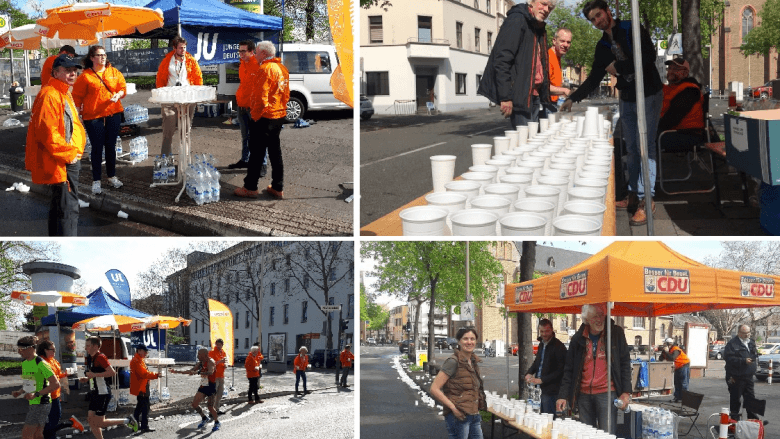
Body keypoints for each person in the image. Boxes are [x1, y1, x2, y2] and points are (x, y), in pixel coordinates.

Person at [561, 0, 664, 226]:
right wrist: (572, 98)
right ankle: (633, 194)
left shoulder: (631, 28)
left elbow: (647, 57)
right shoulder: (602, 47)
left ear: (608, 11)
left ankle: (647, 200)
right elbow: (595, 77)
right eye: (593, 19)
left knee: (645, 146)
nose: (597, 21)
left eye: (599, 15)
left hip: (648, 93)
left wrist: (619, 68)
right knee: (632, 147)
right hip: (627, 97)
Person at [25, 54, 86, 237]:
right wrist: (69, 155)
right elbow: (48, 133)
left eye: (74, 70)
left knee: (60, 207)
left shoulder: (61, 92)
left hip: (66, 159)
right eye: (67, 70)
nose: (72, 74)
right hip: (64, 161)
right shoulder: (51, 94)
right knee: (68, 210)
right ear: (55, 72)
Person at [477, 0, 557, 129]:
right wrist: (505, 97)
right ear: (531, 2)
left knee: (532, 140)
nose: (546, 9)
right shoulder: (517, 19)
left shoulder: (537, 26)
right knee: (524, 142)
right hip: (520, 95)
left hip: (534, 95)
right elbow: (502, 59)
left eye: (550, 7)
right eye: (543, 4)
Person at [556, 304, 631, 434]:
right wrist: (563, 395)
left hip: (607, 394)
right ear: (587, 319)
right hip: (584, 395)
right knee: (587, 434)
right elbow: (569, 370)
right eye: (595, 316)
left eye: (602, 315)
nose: (599, 319)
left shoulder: (616, 333)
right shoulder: (577, 339)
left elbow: (625, 363)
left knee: (607, 434)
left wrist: (626, 392)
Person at [234, 41, 290, 200]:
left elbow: (260, 98)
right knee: (275, 152)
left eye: (257, 52)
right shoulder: (282, 68)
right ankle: (278, 187)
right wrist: (281, 110)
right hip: (278, 115)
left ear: (264, 54)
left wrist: (255, 117)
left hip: (265, 117)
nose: (255, 55)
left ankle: (250, 187)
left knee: (256, 153)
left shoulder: (265, 69)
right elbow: (286, 94)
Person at [72, 45, 127, 195]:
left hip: (113, 113)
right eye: (99, 55)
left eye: (104, 55)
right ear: (91, 57)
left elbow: (122, 87)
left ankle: (111, 176)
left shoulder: (113, 72)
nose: (103, 57)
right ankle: (96, 180)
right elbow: (76, 97)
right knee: (97, 148)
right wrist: (77, 116)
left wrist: (118, 95)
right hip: (93, 116)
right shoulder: (85, 76)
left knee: (111, 146)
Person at [429, 327, 487, 439]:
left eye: (472, 339)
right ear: (459, 341)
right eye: (465, 339)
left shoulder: (473, 361)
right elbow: (434, 389)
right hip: (458, 416)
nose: (469, 342)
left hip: (474, 414)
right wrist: (453, 408)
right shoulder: (453, 361)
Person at [80, 337, 138, 438]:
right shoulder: (91, 358)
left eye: (88, 345)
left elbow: (111, 372)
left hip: (103, 393)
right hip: (95, 392)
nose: (86, 348)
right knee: (91, 420)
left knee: (100, 423)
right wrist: (87, 378)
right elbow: (95, 374)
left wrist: (93, 375)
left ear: (95, 346)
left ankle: (128, 420)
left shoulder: (101, 357)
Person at [155, 36, 203, 156]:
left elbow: (198, 79)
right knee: (168, 131)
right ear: (174, 48)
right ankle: (165, 158)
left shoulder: (191, 60)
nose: (183, 50)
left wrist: (197, 96)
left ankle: (185, 158)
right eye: (181, 48)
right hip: (169, 99)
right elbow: (160, 79)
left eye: (184, 48)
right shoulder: (166, 61)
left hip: (187, 99)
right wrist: (161, 95)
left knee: (185, 131)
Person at [228, 40, 267, 176]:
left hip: (254, 107)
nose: (240, 53)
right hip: (242, 105)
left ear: (251, 52)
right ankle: (245, 160)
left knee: (259, 137)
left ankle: (262, 164)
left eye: (243, 51)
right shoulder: (242, 64)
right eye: (239, 51)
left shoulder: (258, 64)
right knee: (245, 136)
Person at [12, 336, 60, 439]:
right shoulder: (25, 363)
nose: (19, 352)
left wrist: (36, 394)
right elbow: (29, 382)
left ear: (30, 348)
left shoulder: (41, 363)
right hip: (34, 403)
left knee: (26, 435)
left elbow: (55, 384)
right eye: (18, 349)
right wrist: (20, 391)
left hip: (42, 403)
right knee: (37, 434)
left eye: (21, 349)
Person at [657, 57, 706, 149]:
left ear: (685, 73)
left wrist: (652, 125)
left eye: (676, 69)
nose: (671, 71)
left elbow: (672, 118)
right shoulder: (669, 89)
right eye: (669, 68)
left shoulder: (690, 90)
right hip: (672, 131)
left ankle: (643, 162)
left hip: (688, 134)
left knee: (645, 138)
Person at [38, 340, 83, 438]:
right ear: (45, 350)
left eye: (55, 350)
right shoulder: (41, 361)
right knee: (49, 424)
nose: (54, 352)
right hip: (46, 397)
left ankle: (67, 425)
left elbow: (57, 375)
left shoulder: (53, 360)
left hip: (56, 395)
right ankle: (69, 423)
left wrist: (66, 374)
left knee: (53, 420)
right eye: (52, 350)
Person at [169, 348, 220, 431]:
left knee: (210, 407)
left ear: (205, 354)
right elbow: (191, 371)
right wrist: (176, 371)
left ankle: (217, 422)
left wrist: (198, 373)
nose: (197, 356)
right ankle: (204, 418)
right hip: (204, 385)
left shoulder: (211, 362)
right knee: (194, 404)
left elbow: (210, 372)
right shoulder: (200, 363)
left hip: (211, 386)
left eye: (199, 354)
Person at [524, 318, 567, 415]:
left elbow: (561, 371)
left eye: (547, 331)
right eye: (542, 331)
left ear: (552, 330)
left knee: (547, 418)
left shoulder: (559, 346)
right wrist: (529, 373)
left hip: (551, 391)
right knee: (536, 415)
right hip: (539, 389)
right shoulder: (541, 344)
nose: (544, 334)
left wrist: (542, 380)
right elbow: (537, 362)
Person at [724, 325, 760, 421]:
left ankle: (752, 418)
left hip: (748, 375)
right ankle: (734, 419)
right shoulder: (732, 344)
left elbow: (754, 354)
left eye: (748, 332)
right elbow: (728, 359)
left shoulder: (751, 342)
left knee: (751, 397)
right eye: (744, 333)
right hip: (735, 376)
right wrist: (743, 360)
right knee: (736, 397)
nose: (747, 335)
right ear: (739, 333)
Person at [130, 345, 160, 433]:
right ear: (139, 351)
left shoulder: (139, 360)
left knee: (140, 407)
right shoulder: (137, 361)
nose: (146, 353)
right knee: (145, 407)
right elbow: (144, 374)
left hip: (141, 387)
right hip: (141, 388)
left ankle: (134, 424)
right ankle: (144, 426)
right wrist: (156, 375)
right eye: (145, 351)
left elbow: (144, 373)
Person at [548, 28, 573, 109]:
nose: (565, 45)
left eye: (568, 42)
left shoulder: (557, 57)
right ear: (554, 41)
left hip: (554, 103)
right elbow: (543, 86)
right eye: (562, 41)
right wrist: (565, 91)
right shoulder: (549, 57)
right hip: (546, 104)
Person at [659, 337, 690, 402]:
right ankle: (677, 397)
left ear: (669, 344)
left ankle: (684, 399)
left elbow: (672, 358)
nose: (664, 345)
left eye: (665, 344)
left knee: (683, 383)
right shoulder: (667, 350)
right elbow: (661, 358)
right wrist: (663, 352)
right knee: (677, 382)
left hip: (683, 365)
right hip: (677, 367)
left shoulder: (675, 349)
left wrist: (667, 352)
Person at [208, 339, 228, 415]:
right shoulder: (211, 353)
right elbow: (210, 364)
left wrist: (225, 365)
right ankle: (211, 411)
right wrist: (220, 362)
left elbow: (224, 362)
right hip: (214, 376)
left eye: (220, 345)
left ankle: (217, 409)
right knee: (213, 394)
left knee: (220, 394)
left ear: (222, 345)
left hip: (221, 376)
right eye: (218, 344)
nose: (219, 346)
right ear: (215, 344)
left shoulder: (223, 352)